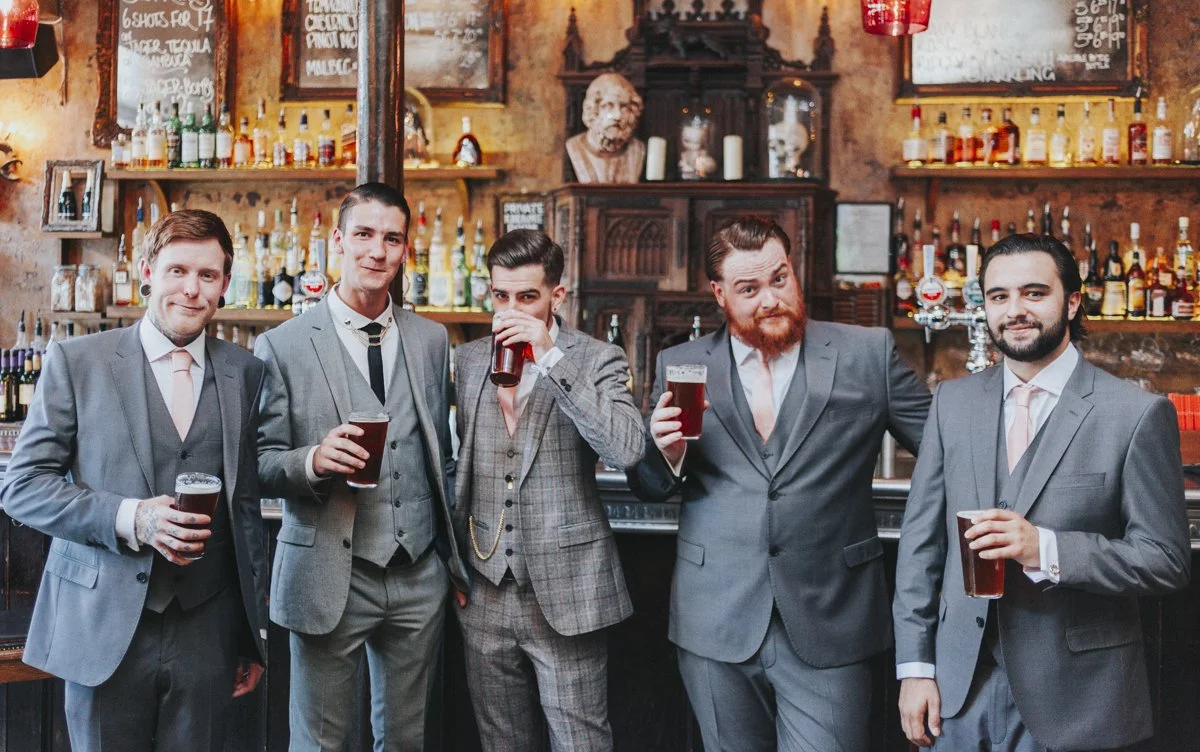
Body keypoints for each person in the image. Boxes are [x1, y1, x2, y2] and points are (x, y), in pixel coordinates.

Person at [626, 217, 930, 752]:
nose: (770, 299)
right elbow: (650, 486)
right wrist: (666, 453)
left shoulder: (867, 353)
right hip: (715, 620)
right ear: (719, 294)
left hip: (832, 617)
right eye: (749, 289)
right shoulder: (682, 363)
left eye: (780, 278)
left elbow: (948, 449)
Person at [892, 233, 1191, 752]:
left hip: (1080, 700)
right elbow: (921, 550)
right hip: (960, 692)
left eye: (1034, 293)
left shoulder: (1135, 414)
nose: (1015, 311)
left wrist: (1045, 550)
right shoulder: (953, 404)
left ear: (1072, 301)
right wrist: (916, 669)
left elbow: (1165, 560)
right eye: (999, 296)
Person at [1, 209, 268, 752]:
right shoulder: (77, 361)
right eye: (177, 271)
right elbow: (23, 485)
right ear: (147, 271)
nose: (191, 290)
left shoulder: (246, 371)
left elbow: (244, 510)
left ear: (224, 285)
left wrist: (249, 637)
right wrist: (133, 517)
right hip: (103, 624)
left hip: (208, 629)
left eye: (208, 276)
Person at [255, 182, 468, 751]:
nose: (378, 251)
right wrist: (314, 460)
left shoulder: (430, 339)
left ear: (405, 251)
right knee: (322, 742)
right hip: (329, 573)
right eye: (365, 235)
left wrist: (450, 561)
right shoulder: (283, 345)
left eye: (392, 239)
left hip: (418, 572)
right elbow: (260, 463)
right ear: (337, 242)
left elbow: (437, 457)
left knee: (405, 741)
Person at [452, 229, 644, 751]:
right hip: (484, 588)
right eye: (500, 296)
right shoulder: (467, 361)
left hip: (569, 591)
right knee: (502, 742)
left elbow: (627, 448)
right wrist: (452, 563)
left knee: (580, 741)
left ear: (557, 296)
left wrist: (550, 358)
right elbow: (454, 468)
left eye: (527, 297)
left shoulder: (598, 358)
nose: (511, 309)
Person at [565, 71, 646, 184]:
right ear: (593, 109)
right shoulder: (574, 147)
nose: (617, 115)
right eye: (608, 106)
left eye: (624, 107)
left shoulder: (637, 150)